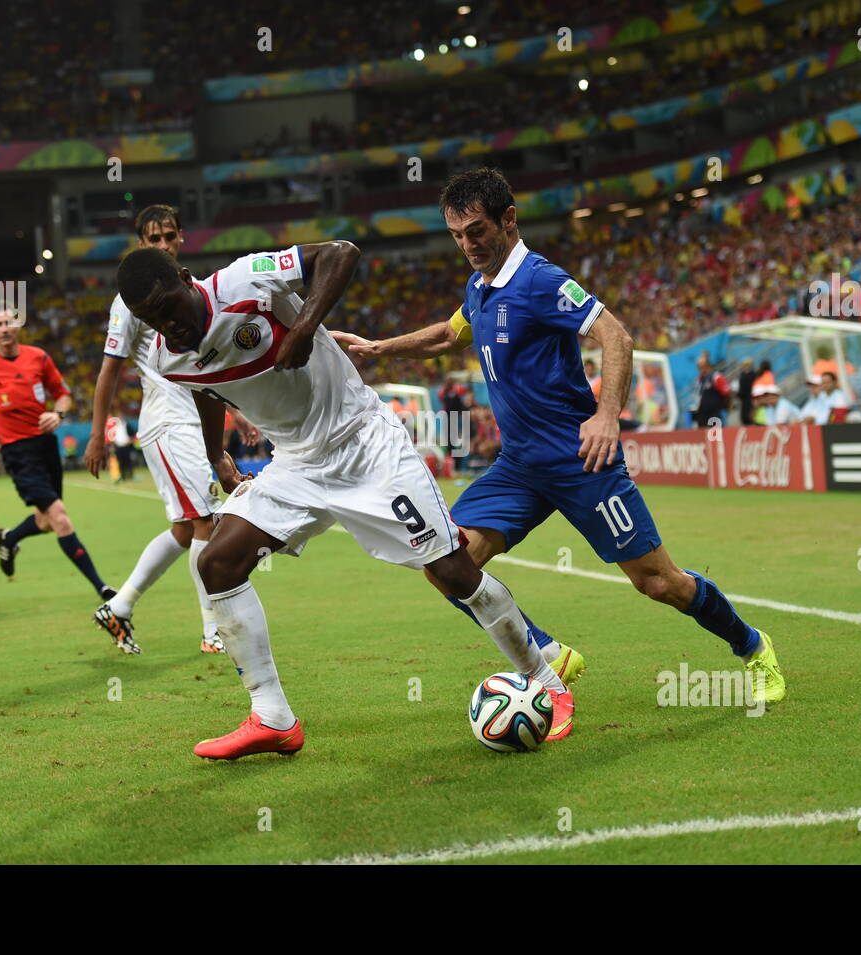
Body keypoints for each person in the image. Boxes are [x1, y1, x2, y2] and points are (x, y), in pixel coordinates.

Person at [333, 167, 785, 705]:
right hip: (520, 467)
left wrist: (607, 414)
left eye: (475, 230)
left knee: (659, 583)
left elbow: (615, 335)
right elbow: (449, 334)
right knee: (447, 564)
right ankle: (546, 655)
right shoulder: (481, 288)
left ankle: (754, 647)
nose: (467, 245)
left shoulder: (541, 281)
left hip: (581, 462)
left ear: (508, 219)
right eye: (456, 235)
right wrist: (378, 349)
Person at [115, 239, 574, 760]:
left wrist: (306, 325)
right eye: (150, 319)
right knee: (218, 563)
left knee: (453, 571)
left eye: (168, 306)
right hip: (296, 464)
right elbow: (203, 386)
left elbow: (340, 253)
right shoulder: (167, 357)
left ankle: (547, 682)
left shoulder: (243, 282)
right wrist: (217, 454)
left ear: (184, 276)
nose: (167, 324)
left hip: (365, 443)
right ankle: (273, 718)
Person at [83, 204, 245, 655]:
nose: (163, 245)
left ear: (181, 238)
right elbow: (109, 370)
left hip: (193, 420)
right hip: (169, 423)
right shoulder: (130, 300)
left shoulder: (190, 290)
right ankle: (214, 630)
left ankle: (120, 606)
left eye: (169, 237)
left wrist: (242, 413)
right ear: (140, 244)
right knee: (206, 521)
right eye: (153, 239)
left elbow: (208, 365)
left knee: (183, 529)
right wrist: (98, 434)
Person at [0, 310, 114, 601]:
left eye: (9, 322)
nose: (5, 329)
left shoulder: (38, 357)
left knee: (45, 521)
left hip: (46, 446)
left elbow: (63, 393)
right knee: (61, 519)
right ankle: (102, 588)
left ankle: (9, 538)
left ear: (18, 325)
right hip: (17, 452)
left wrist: (58, 413)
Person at [691, 350, 730, 428]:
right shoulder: (699, 380)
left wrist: (723, 408)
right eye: (699, 368)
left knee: (716, 436)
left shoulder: (716, 377)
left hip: (714, 413)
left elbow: (727, 393)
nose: (701, 370)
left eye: (702, 367)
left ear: (708, 366)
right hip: (702, 413)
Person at [737, 357, 758, 425]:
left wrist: (738, 394)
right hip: (750, 402)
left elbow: (742, 392)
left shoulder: (744, 377)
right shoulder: (754, 375)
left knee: (748, 421)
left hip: (748, 403)